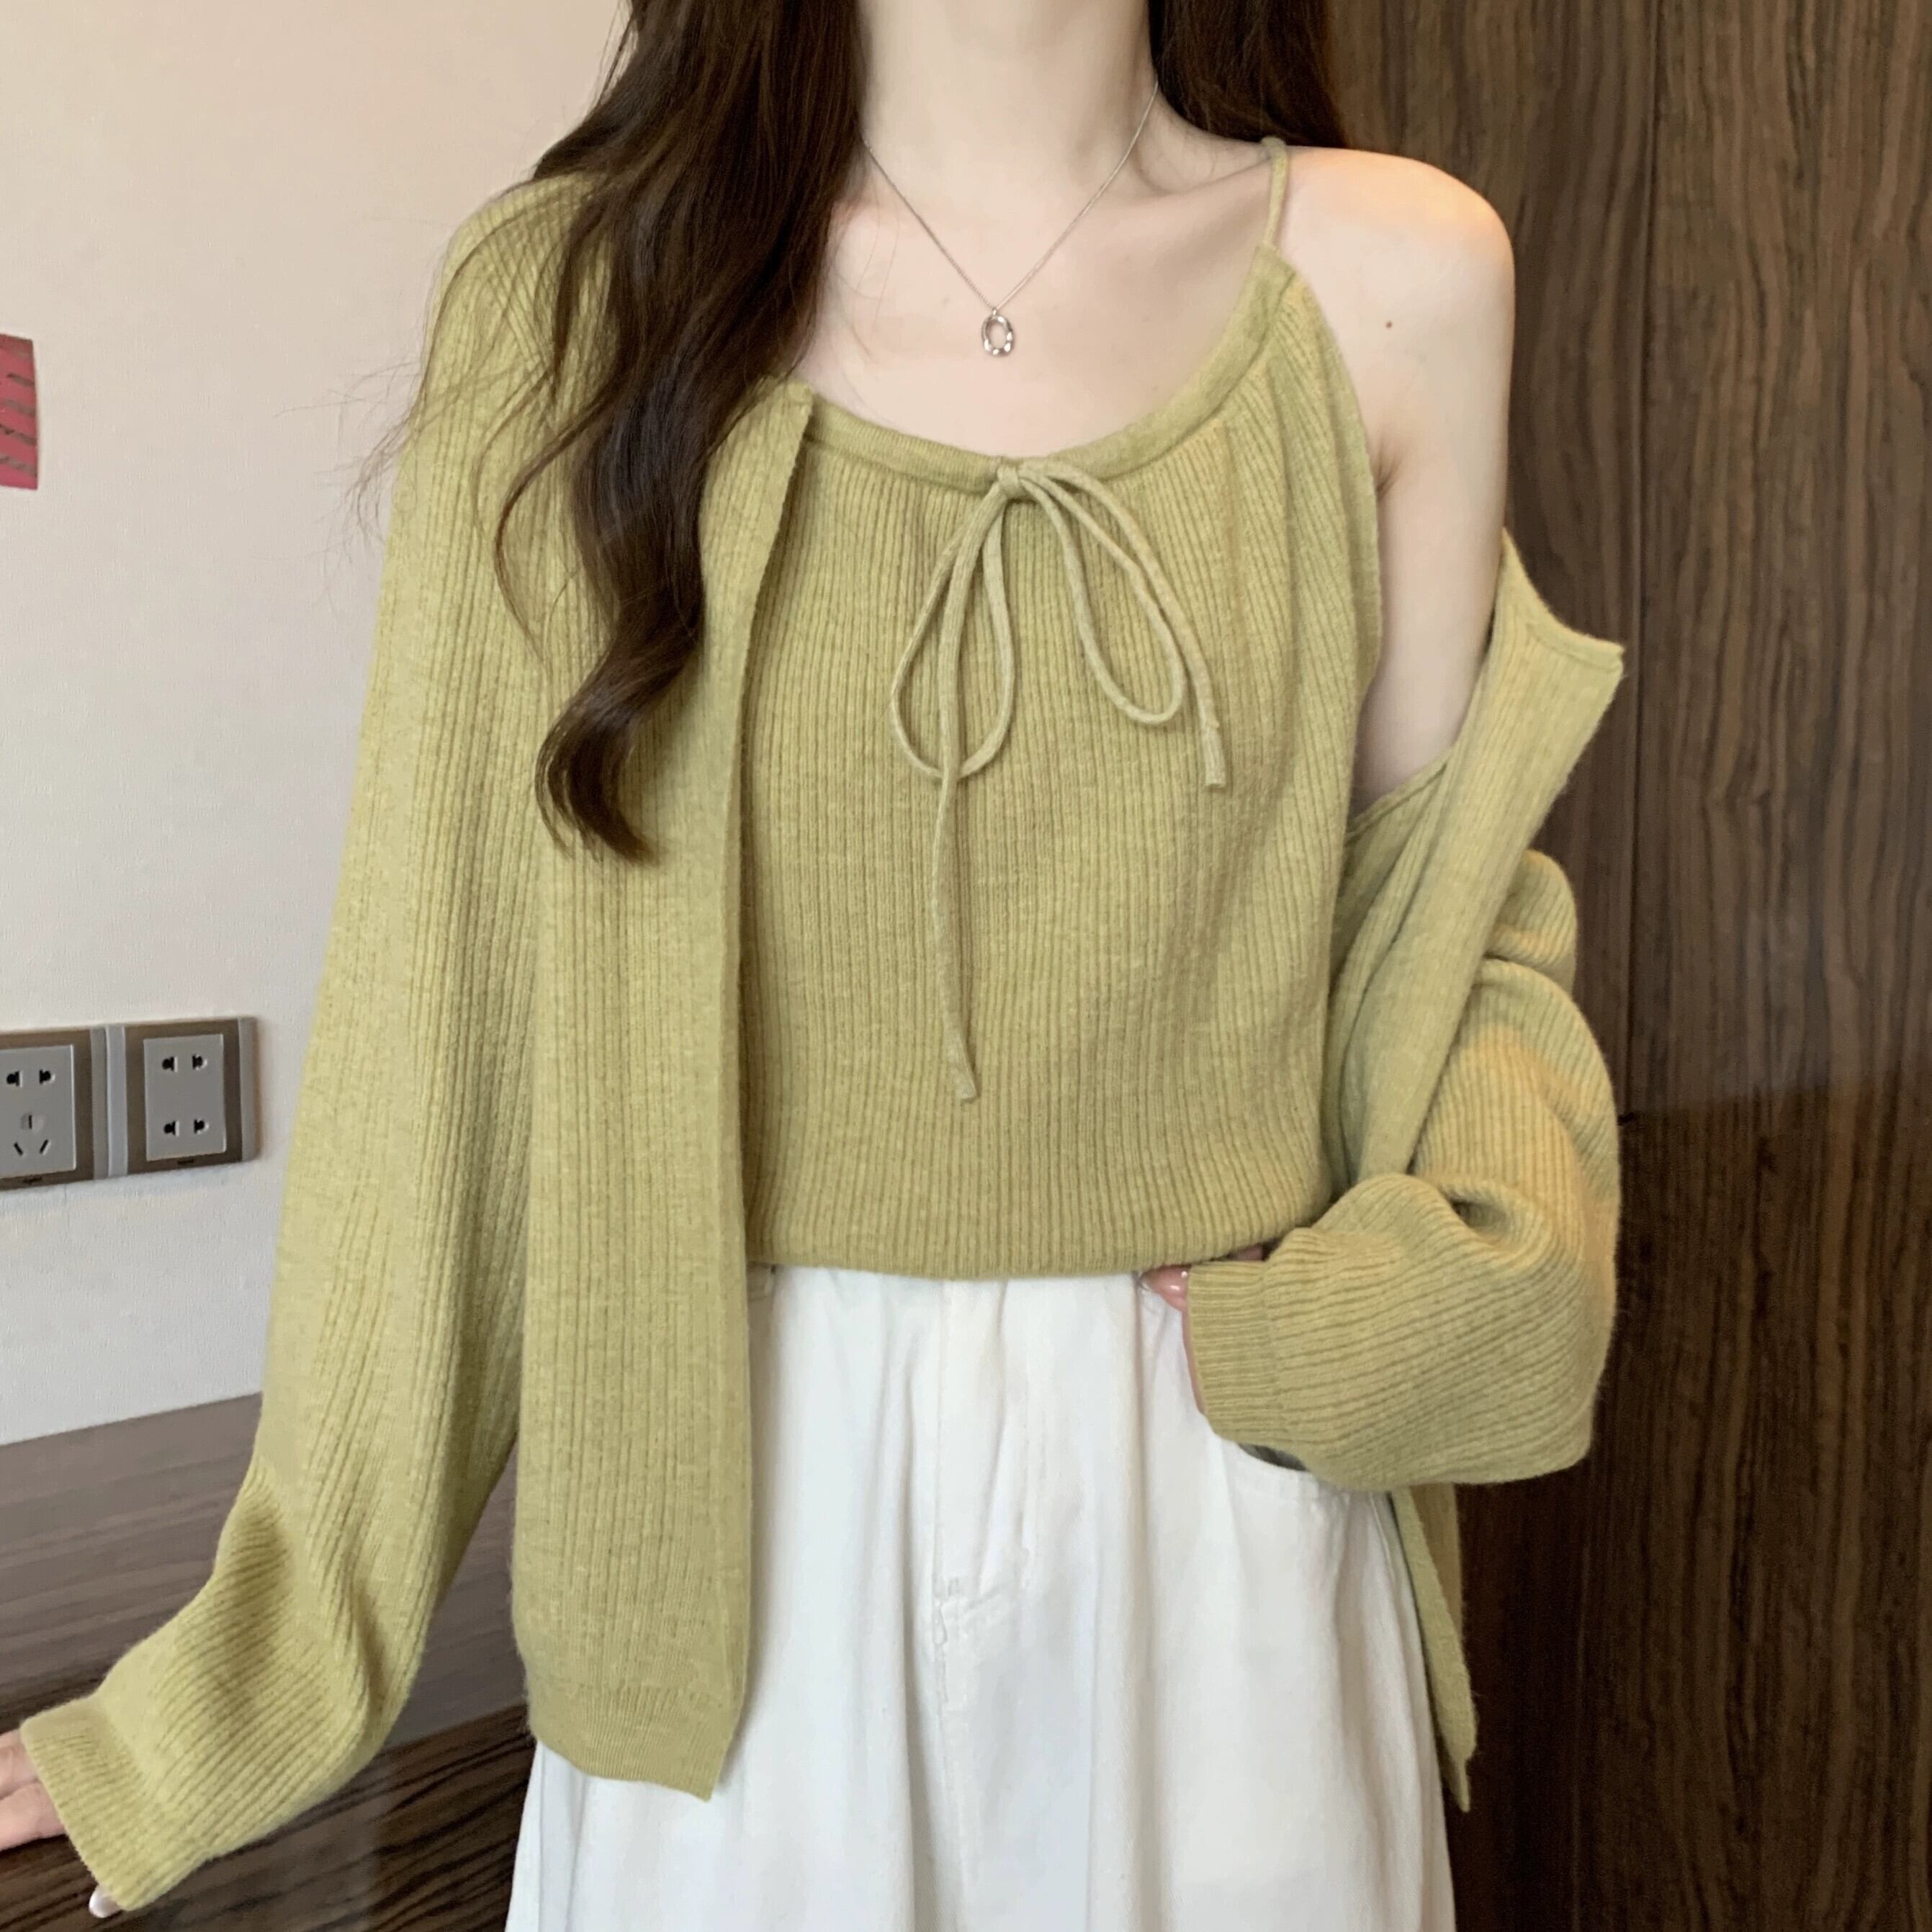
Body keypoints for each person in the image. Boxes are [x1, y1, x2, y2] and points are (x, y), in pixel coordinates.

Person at [1, 1, 1629, 1925]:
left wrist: (1450, 1291)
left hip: (1223, 1518)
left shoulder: (1400, 277)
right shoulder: (579, 297)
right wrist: (217, 1703)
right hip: (734, 1531)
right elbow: (439, 1057)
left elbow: (1443, 924)